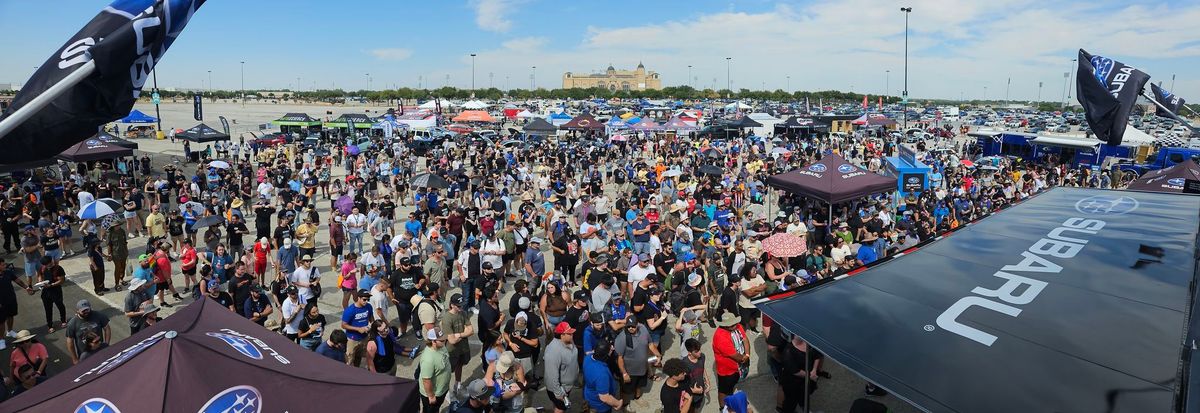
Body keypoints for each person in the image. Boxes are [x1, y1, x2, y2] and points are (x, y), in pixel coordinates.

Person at [713, 312, 749, 410]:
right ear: (725, 325)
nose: (734, 326)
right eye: (731, 325)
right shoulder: (720, 337)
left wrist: (747, 354)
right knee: (724, 390)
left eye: (734, 323)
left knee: (731, 386)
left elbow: (745, 339)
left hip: (738, 367)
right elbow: (735, 356)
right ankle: (722, 407)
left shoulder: (737, 326)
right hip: (726, 371)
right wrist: (744, 359)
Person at [614, 315, 653, 401]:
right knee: (625, 390)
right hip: (630, 371)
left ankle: (637, 398)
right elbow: (620, 358)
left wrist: (658, 355)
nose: (631, 328)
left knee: (639, 386)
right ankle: (624, 404)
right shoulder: (622, 338)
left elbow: (650, 344)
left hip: (642, 369)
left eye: (633, 326)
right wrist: (624, 373)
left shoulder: (643, 328)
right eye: (629, 326)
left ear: (637, 325)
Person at [543, 322, 579, 413]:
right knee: (560, 409)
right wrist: (559, 393)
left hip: (567, 386)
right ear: (562, 335)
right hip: (559, 389)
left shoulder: (569, 340)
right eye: (569, 333)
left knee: (558, 407)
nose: (572, 335)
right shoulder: (553, 351)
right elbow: (552, 375)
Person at [441, 293, 474, 387]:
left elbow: (471, 331)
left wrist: (459, 334)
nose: (461, 307)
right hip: (451, 350)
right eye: (458, 305)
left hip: (463, 348)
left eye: (461, 305)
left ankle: (457, 383)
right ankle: (445, 389)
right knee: (447, 371)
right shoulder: (447, 318)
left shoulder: (463, 313)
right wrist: (465, 333)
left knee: (460, 365)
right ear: (452, 305)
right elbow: (452, 341)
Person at [65, 299, 110, 365]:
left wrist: (106, 344)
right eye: (83, 311)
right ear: (77, 311)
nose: (86, 312)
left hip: (100, 350)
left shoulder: (98, 315)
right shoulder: (72, 323)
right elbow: (70, 342)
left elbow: (107, 328)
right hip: (85, 355)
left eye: (87, 309)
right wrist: (74, 359)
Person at [584, 340, 624, 413]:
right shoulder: (601, 374)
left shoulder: (588, 358)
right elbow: (604, 398)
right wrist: (618, 403)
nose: (612, 348)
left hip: (589, 396)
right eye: (610, 349)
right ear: (606, 355)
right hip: (600, 406)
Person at [418, 327, 452, 413]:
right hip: (434, 394)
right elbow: (426, 380)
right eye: (441, 340)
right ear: (433, 341)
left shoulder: (441, 346)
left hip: (441, 389)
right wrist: (431, 396)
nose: (444, 341)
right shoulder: (428, 359)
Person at [0, 259, 32, 345]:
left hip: (11, 299)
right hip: (0, 302)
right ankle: (1, 339)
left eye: (4, 264)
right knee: (1, 321)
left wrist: (27, 287)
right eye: (2, 265)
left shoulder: (8, 272)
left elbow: (18, 280)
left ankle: (10, 331)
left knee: (11, 315)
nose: (5, 266)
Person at [341, 290, 373, 367]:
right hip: (352, 339)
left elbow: (371, 318)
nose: (366, 301)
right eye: (364, 299)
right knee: (349, 359)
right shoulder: (350, 310)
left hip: (364, 337)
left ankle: (357, 370)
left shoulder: (368, 307)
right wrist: (358, 329)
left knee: (359, 357)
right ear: (358, 298)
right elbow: (343, 325)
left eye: (368, 299)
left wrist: (371, 326)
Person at [36, 256, 66, 333]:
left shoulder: (58, 268)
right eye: (46, 265)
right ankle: (50, 325)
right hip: (46, 292)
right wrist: (40, 282)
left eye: (48, 264)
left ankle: (63, 320)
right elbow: (39, 275)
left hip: (56, 291)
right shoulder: (42, 268)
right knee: (48, 309)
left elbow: (61, 280)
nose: (47, 266)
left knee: (60, 305)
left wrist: (51, 285)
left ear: (51, 261)